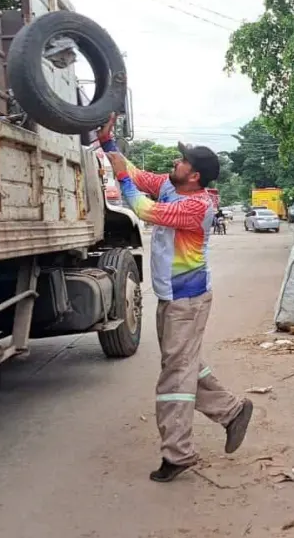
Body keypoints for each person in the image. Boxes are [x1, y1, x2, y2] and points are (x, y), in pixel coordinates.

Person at [94, 115, 254, 483]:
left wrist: (120, 177)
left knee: (174, 376)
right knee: (183, 364)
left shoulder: (198, 205)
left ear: (194, 175)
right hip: (171, 297)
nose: (175, 163)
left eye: (182, 161)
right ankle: (231, 411)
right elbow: (136, 175)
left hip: (187, 300)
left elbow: (144, 210)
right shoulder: (170, 185)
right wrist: (108, 144)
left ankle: (178, 452)